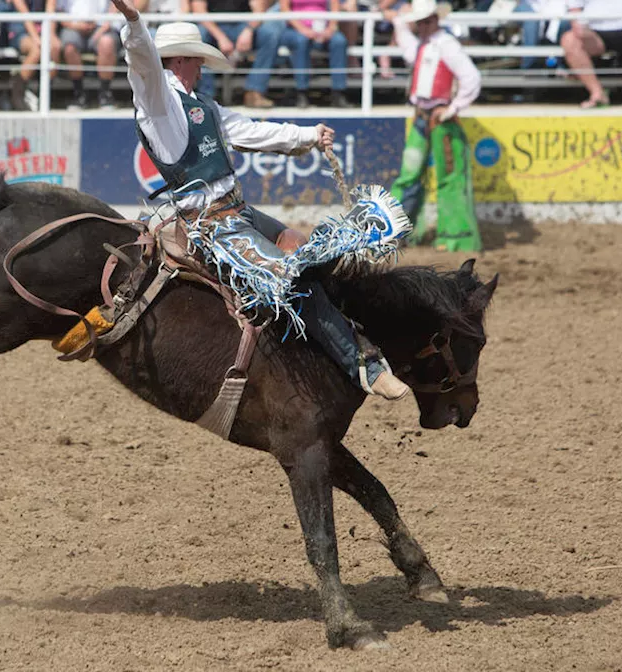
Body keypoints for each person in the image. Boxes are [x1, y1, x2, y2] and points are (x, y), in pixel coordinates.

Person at [107, 0, 412, 399]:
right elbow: (143, 63)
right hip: (212, 228)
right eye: (197, 60)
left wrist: (306, 136)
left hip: (238, 214)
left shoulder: (204, 108)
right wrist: (133, 22)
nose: (201, 68)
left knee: (301, 248)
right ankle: (364, 365)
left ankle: (321, 346)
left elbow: (253, 131)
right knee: (292, 277)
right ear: (180, 60)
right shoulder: (157, 103)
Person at [390, 0, 481, 252]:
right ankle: (403, 232)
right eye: (420, 22)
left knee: (441, 176)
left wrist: (452, 109)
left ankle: (452, 236)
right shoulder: (427, 44)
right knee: (415, 176)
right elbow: (406, 42)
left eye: (426, 21)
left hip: (437, 117)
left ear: (435, 20)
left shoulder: (446, 45)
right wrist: (399, 19)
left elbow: (472, 78)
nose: (423, 26)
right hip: (425, 115)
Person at [191, 0, 282, 107]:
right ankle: (206, 96)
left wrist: (249, 31)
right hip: (212, 27)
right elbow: (199, 11)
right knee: (199, 36)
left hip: (242, 25)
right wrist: (221, 37)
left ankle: (254, 92)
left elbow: (259, 8)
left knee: (269, 36)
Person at [278, 0, 351, 108]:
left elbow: (335, 8)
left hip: (323, 29)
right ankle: (301, 92)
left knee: (339, 41)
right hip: (296, 30)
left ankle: (338, 92)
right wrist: (303, 29)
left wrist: (330, 29)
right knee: (301, 41)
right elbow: (285, 9)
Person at [59, 0, 121, 109]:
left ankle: (105, 95)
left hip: (102, 26)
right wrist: (75, 25)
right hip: (72, 26)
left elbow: (116, 5)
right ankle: (79, 95)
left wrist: (104, 26)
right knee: (69, 48)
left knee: (107, 43)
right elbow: (58, 10)